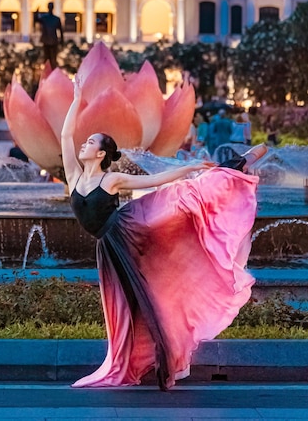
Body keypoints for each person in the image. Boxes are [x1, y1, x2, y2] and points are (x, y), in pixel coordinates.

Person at [61, 75, 266, 390]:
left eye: (91, 142)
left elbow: (155, 183)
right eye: (86, 140)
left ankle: (234, 168)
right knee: (123, 309)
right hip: (107, 247)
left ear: (101, 154)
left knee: (180, 204)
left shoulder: (112, 179)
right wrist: (76, 98)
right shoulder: (74, 175)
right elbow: (65, 134)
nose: (84, 144)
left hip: (127, 233)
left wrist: (190, 168)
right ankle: (130, 361)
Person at [36, 2, 64, 69]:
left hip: (52, 41)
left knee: (52, 59)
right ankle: (48, 71)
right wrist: (36, 12)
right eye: (50, 6)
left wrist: (62, 41)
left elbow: (60, 31)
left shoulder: (56, 19)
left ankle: (51, 72)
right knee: (47, 59)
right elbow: (36, 19)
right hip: (48, 41)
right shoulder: (45, 18)